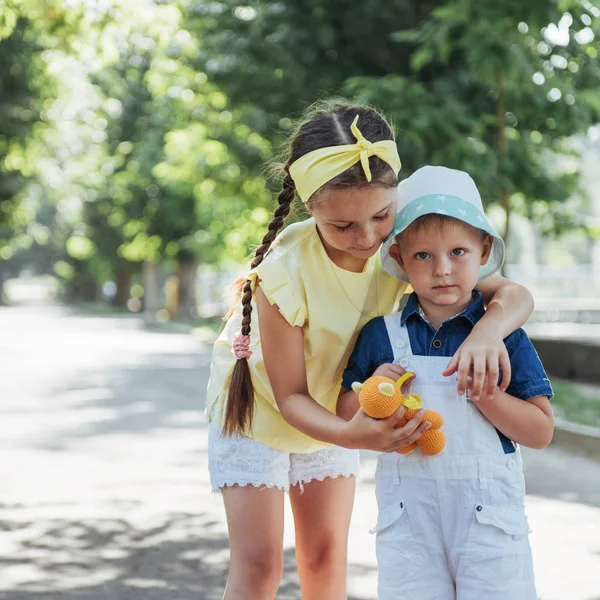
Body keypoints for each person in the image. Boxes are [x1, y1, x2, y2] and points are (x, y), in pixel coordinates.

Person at [205, 103, 535, 600]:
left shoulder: (408, 248)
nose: (366, 239)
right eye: (342, 226)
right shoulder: (282, 274)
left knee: (324, 558)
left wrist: (488, 334)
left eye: (381, 216)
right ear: (309, 207)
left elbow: (514, 296)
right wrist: (350, 434)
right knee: (259, 566)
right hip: (263, 411)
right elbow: (291, 395)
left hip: (341, 408)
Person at [338, 165, 554, 600]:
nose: (442, 270)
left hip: (488, 528)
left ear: (483, 250)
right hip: (409, 526)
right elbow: (346, 415)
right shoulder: (382, 335)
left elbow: (541, 431)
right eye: (423, 256)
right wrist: (372, 392)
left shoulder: (503, 336)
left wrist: (488, 397)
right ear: (399, 258)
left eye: (458, 252)